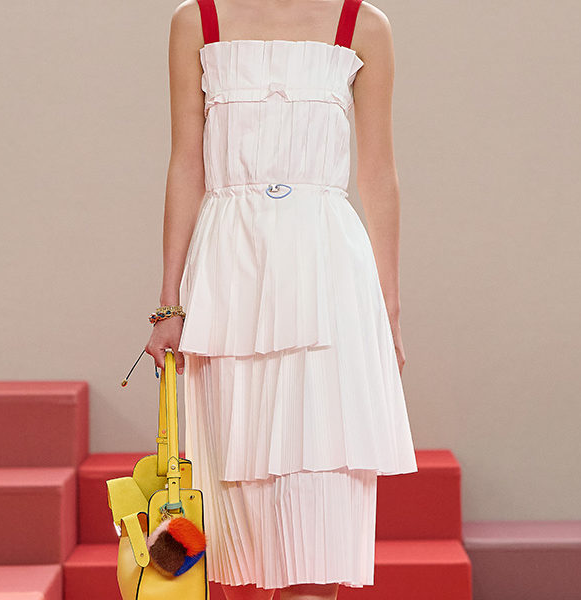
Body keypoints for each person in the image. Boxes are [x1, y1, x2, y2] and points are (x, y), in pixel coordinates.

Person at [146, 1, 418, 598]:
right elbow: (185, 164)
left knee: (318, 521)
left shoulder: (363, 25)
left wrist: (388, 313)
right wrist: (170, 305)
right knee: (235, 536)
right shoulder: (197, 21)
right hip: (228, 282)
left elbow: (378, 173)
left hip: (329, 282)